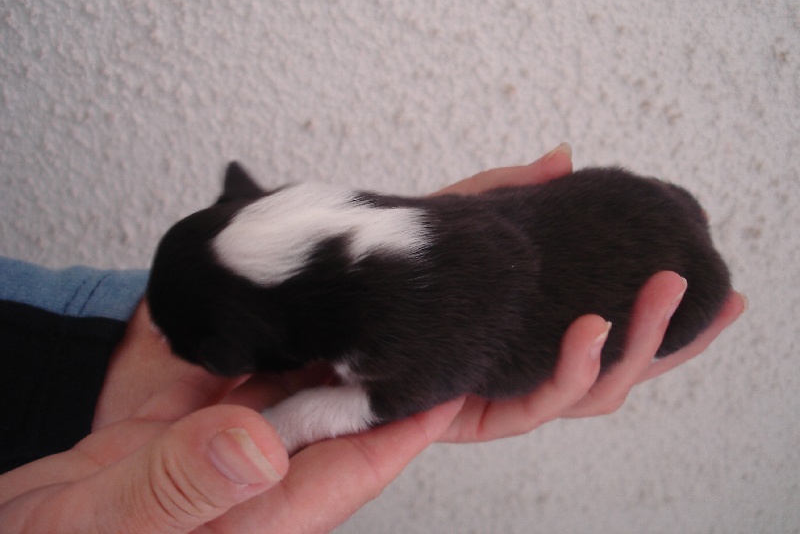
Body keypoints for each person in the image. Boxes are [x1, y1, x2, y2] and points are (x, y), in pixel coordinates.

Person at [0, 145, 745, 534]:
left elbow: (384, 397)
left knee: (689, 295)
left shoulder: (403, 325)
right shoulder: (387, 231)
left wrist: (283, 423)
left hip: (657, 255)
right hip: (621, 206)